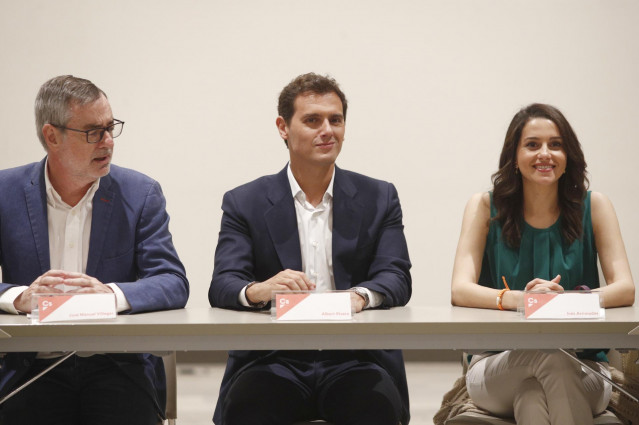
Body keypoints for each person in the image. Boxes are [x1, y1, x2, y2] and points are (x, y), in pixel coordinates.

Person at [209, 73, 412, 425]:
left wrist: (361, 296)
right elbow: (224, 283)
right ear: (283, 127)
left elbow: (396, 276)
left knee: (375, 410)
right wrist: (259, 290)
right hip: (271, 357)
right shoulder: (245, 202)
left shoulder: (379, 197)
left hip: (357, 357)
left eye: (336, 120)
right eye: (313, 120)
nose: (327, 130)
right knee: (248, 411)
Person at [0, 75, 189, 425]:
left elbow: (172, 281)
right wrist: (19, 297)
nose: (107, 142)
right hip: (30, 365)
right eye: (92, 132)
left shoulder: (140, 193)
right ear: (51, 136)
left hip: (116, 364)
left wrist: (111, 295)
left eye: (110, 128)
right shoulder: (4, 192)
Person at [451, 103, 635, 425]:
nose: (545, 154)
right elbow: (460, 289)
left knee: (534, 396)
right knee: (550, 356)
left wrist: (565, 302)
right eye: (533, 145)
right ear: (514, 156)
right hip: (495, 366)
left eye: (556, 144)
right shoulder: (483, 207)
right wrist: (523, 300)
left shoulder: (596, 206)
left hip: (586, 366)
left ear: (569, 155)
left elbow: (625, 289)